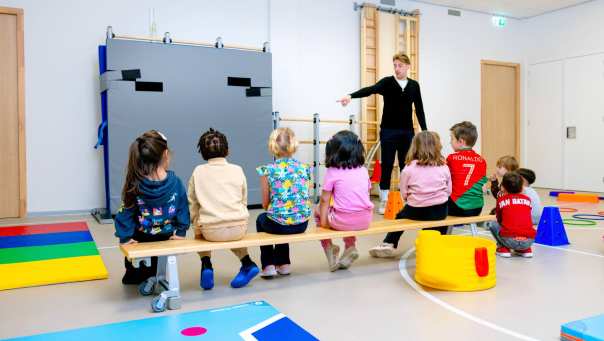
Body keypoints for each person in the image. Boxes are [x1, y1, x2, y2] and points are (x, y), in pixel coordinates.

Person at [338, 53, 427, 214]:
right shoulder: (387, 83)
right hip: (388, 131)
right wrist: (350, 96)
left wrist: (425, 131)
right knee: (386, 164)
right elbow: (370, 90)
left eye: (400, 65)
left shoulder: (414, 86)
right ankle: (384, 200)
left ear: (408, 66)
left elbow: (419, 109)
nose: (397, 69)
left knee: (405, 165)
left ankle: (404, 198)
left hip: (407, 132)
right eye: (395, 65)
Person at [114, 130, 190, 284]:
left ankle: (135, 275)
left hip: (140, 237)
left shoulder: (135, 183)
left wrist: (125, 237)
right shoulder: (176, 182)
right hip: (166, 235)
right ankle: (155, 277)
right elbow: (183, 208)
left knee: (134, 274)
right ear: (165, 154)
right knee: (156, 269)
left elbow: (125, 212)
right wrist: (181, 231)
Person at [188, 128, 259, 290]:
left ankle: (206, 265)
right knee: (230, 222)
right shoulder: (237, 169)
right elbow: (243, 199)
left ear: (203, 153)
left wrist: (197, 228)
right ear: (227, 150)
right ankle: (247, 262)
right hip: (239, 227)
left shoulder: (198, 172)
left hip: (211, 231)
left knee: (200, 224)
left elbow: (193, 204)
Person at [369, 131, 451, 258]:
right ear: (437, 146)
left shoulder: (408, 169)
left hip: (416, 209)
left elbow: (404, 193)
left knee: (400, 217)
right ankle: (434, 243)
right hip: (439, 210)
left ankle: (389, 243)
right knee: (440, 219)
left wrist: (415, 199)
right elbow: (448, 191)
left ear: (414, 147)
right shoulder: (443, 167)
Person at [256, 128, 312, 278]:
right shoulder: (304, 168)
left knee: (263, 219)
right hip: (302, 223)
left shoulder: (267, 170)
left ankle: (268, 265)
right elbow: (303, 196)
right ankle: (284, 264)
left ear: (272, 146)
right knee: (283, 216)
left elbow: (265, 203)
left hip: (279, 224)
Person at [315, 131, 373, 271]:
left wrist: (323, 222)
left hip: (342, 221)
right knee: (349, 210)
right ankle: (350, 246)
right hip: (365, 219)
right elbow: (367, 192)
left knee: (317, 212)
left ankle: (329, 247)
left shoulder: (333, 172)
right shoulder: (363, 170)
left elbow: (324, 200)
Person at [490, 172, 536, 258]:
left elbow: (499, 219)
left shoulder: (501, 199)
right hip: (529, 240)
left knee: (493, 224)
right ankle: (525, 250)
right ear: (522, 188)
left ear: (502, 187)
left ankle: (503, 248)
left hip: (509, 240)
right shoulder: (527, 199)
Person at [447, 121, 487, 217]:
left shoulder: (451, 158)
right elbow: (483, 187)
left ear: (461, 141)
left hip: (457, 207)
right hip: (477, 208)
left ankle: (436, 230)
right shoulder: (482, 160)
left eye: (451, 139)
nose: (450, 142)